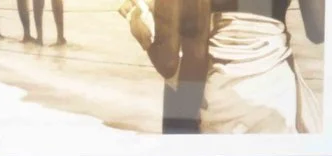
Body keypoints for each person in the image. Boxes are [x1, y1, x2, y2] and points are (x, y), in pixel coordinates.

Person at [124, 0, 325, 131]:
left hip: (211, 94)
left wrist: (139, 25)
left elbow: (168, 61)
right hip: (276, 88)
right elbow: (318, 30)